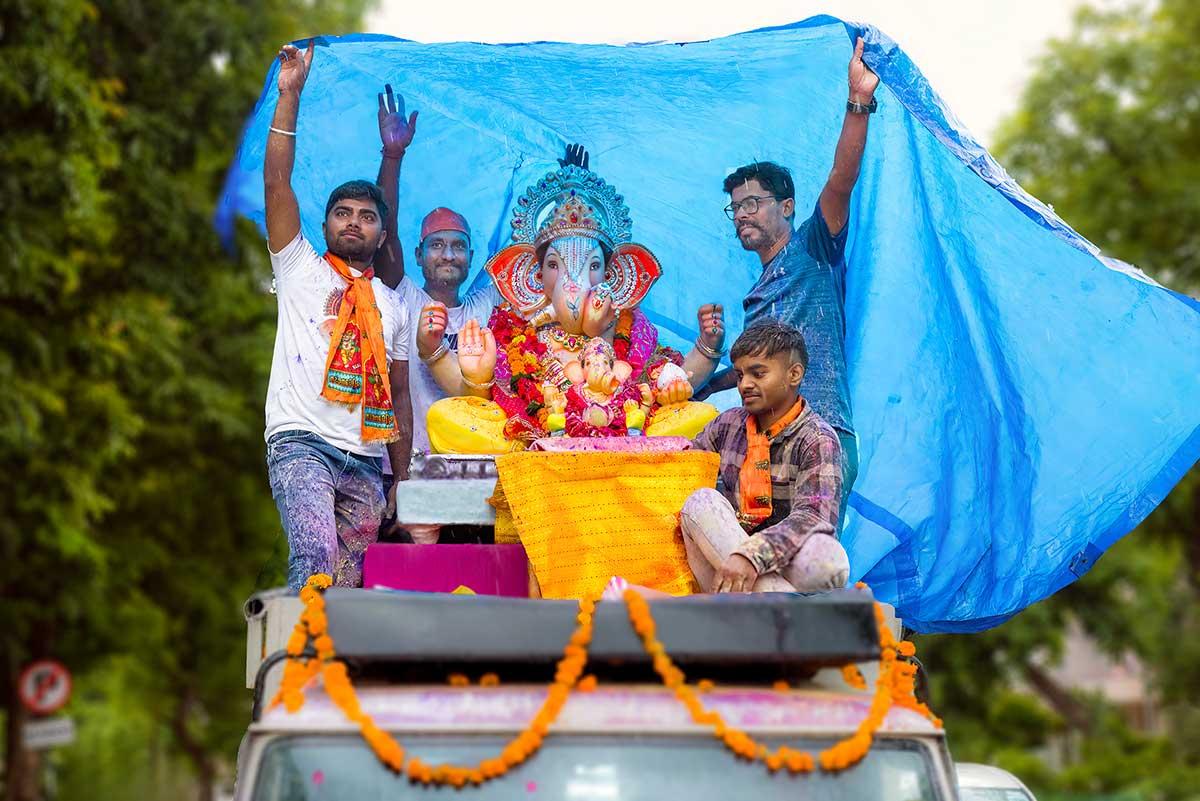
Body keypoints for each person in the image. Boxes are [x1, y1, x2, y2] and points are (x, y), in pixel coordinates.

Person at [696, 37, 880, 511]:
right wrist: (691, 377)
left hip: (819, 435)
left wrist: (858, 102)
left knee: (808, 566)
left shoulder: (813, 247)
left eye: (752, 203)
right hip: (762, 443)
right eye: (734, 208)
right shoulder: (756, 295)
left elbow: (842, 180)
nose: (740, 215)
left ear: (788, 207)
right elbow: (745, 374)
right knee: (762, 571)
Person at [262, 42, 413, 590]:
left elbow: (398, 396)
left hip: (369, 461)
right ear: (325, 225)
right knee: (316, 563)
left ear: (380, 232)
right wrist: (290, 95)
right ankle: (301, 672)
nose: (354, 223)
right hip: (302, 442)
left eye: (367, 216)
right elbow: (277, 185)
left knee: (349, 588)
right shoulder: (299, 266)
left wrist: (402, 475)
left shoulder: (392, 304)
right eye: (342, 213)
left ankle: (332, 674)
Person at [370, 85, 503, 460]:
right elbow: (386, 229)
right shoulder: (403, 295)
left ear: (472, 256)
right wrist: (392, 155)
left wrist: (571, 193)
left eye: (458, 246)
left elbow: (531, 258)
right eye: (437, 245)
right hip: (405, 466)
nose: (448, 254)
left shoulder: (487, 305)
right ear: (418, 254)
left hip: (475, 466)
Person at [684, 322, 849, 594]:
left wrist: (751, 555)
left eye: (758, 374)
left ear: (794, 374)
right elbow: (684, 467)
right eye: (739, 375)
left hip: (771, 559)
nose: (745, 385)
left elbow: (814, 517)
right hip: (724, 559)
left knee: (828, 559)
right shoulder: (727, 424)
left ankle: (767, 605)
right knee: (701, 501)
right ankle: (784, 611)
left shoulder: (818, 438)